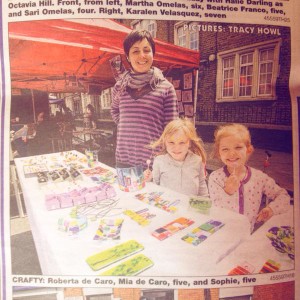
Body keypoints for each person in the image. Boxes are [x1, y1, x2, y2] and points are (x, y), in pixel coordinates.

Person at [111, 29, 178, 169]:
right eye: (135, 51)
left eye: (146, 50)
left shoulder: (166, 88)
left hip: (154, 163)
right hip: (124, 159)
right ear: (128, 57)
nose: (142, 55)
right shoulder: (119, 87)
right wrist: (129, 126)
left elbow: (171, 129)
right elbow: (115, 111)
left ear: (153, 53)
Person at [208, 123, 290, 230]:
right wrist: (228, 192)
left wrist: (271, 209)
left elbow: (284, 196)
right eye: (225, 149)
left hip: (247, 234)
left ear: (248, 150)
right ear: (219, 153)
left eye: (238, 147)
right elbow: (216, 210)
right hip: (222, 234)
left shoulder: (259, 178)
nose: (232, 153)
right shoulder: (215, 178)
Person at [145, 118, 209, 197]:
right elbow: (154, 185)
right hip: (167, 206)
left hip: (190, 207)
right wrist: (148, 179)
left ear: (189, 143)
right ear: (165, 142)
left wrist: (205, 200)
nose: (176, 148)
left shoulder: (197, 161)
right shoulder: (159, 161)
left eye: (182, 142)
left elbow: (202, 184)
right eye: (171, 142)